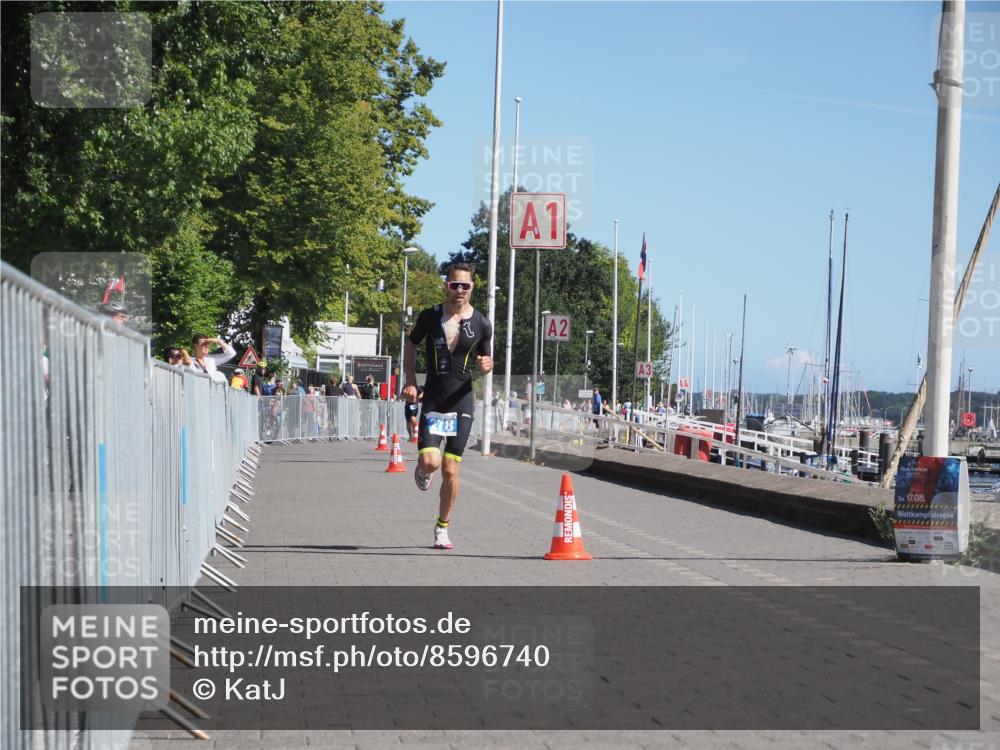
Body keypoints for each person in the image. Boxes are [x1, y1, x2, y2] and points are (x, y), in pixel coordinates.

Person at [403, 262, 493, 550]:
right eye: (455, 285)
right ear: (447, 286)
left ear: (472, 288)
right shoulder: (430, 316)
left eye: (465, 286)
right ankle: (422, 471)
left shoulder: (482, 323)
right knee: (431, 462)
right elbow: (411, 344)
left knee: (451, 470)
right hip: (434, 398)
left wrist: (487, 365)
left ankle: (442, 527)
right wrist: (410, 381)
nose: (460, 290)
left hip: (462, 401)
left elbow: (487, 359)